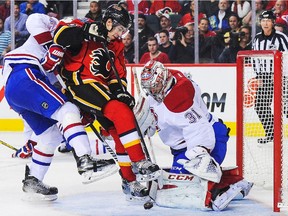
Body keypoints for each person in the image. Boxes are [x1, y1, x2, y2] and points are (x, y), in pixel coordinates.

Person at [2, 13, 116, 201]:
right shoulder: (55, 26)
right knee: (67, 109)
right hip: (24, 72)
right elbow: (33, 20)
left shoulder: (64, 56)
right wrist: (50, 46)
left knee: (51, 135)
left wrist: (80, 113)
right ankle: (85, 159)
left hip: (19, 88)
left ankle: (34, 180)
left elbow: (58, 83)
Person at [52, 4, 161, 199]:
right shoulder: (86, 27)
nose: (120, 35)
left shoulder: (116, 45)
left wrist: (120, 91)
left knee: (119, 131)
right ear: (109, 22)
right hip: (79, 84)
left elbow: (116, 74)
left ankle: (129, 181)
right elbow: (60, 35)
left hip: (101, 89)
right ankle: (139, 161)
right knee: (120, 112)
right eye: (119, 29)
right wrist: (85, 30)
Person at [136, 60, 253, 211]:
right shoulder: (163, 87)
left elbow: (202, 130)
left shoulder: (179, 97)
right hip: (184, 147)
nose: (152, 91)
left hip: (212, 138)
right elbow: (158, 118)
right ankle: (234, 181)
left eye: (155, 86)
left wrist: (199, 154)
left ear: (163, 80)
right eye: (149, 88)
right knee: (177, 180)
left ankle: (220, 191)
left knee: (184, 183)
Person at [252, 10, 288, 144]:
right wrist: (258, 76)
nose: (265, 23)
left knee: (286, 108)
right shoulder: (257, 38)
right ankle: (272, 133)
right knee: (260, 105)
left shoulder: (281, 37)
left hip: (283, 76)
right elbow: (255, 58)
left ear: (273, 22)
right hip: (265, 77)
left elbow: (287, 57)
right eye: (263, 21)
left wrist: (280, 74)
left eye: (268, 21)